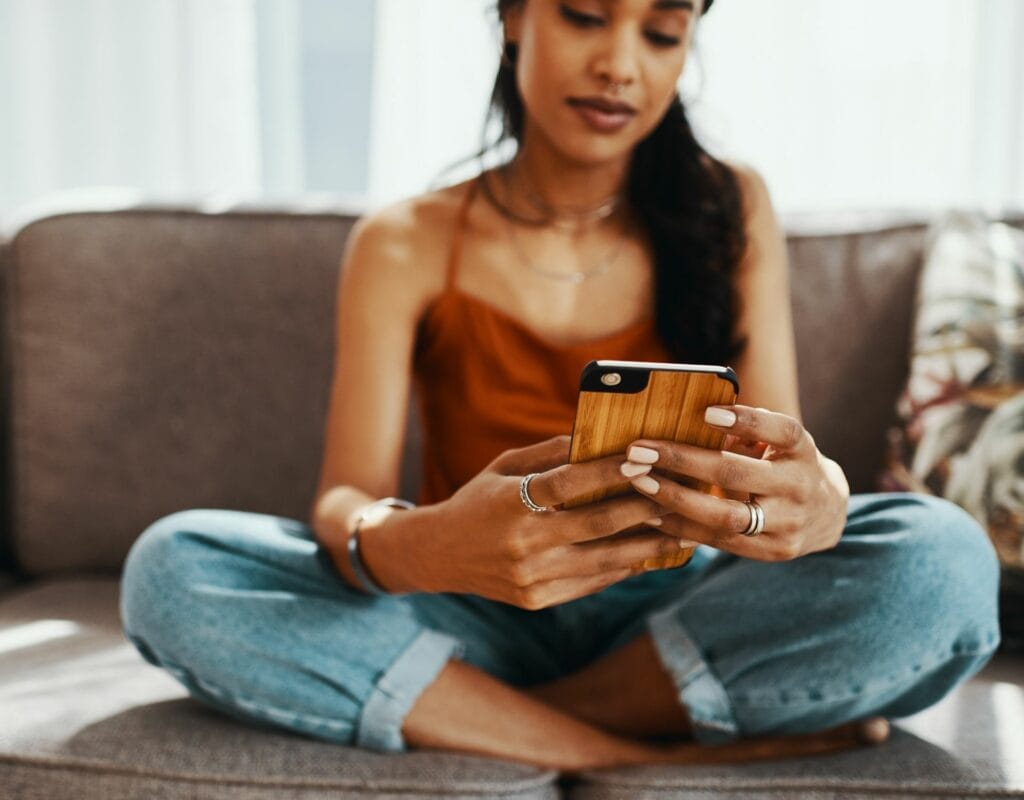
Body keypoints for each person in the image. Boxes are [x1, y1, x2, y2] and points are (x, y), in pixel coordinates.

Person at [119, 0, 1002, 774]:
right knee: (171, 568)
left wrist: (824, 499)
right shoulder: (406, 241)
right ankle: (630, 751)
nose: (621, 63)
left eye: (661, 32)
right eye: (584, 16)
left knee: (947, 563)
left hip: (672, 616)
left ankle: (491, 719)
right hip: (467, 611)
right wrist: (428, 545)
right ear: (512, 17)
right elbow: (345, 499)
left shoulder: (730, 206)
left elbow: (772, 461)